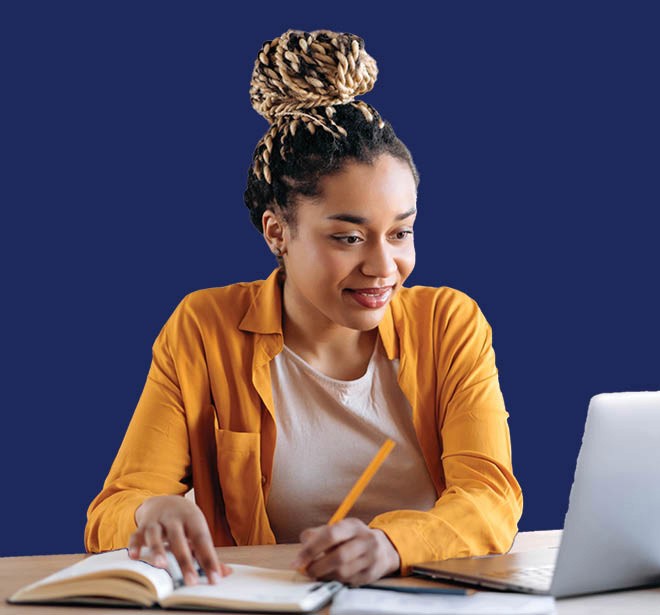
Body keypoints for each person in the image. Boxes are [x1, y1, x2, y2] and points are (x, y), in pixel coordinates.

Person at [85, 29, 522, 587]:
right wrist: (150, 512)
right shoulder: (204, 328)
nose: (383, 266)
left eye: (401, 233)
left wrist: (392, 545)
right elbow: (113, 510)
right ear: (277, 232)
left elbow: (491, 495)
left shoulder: (449, 324)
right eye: (347, 238)